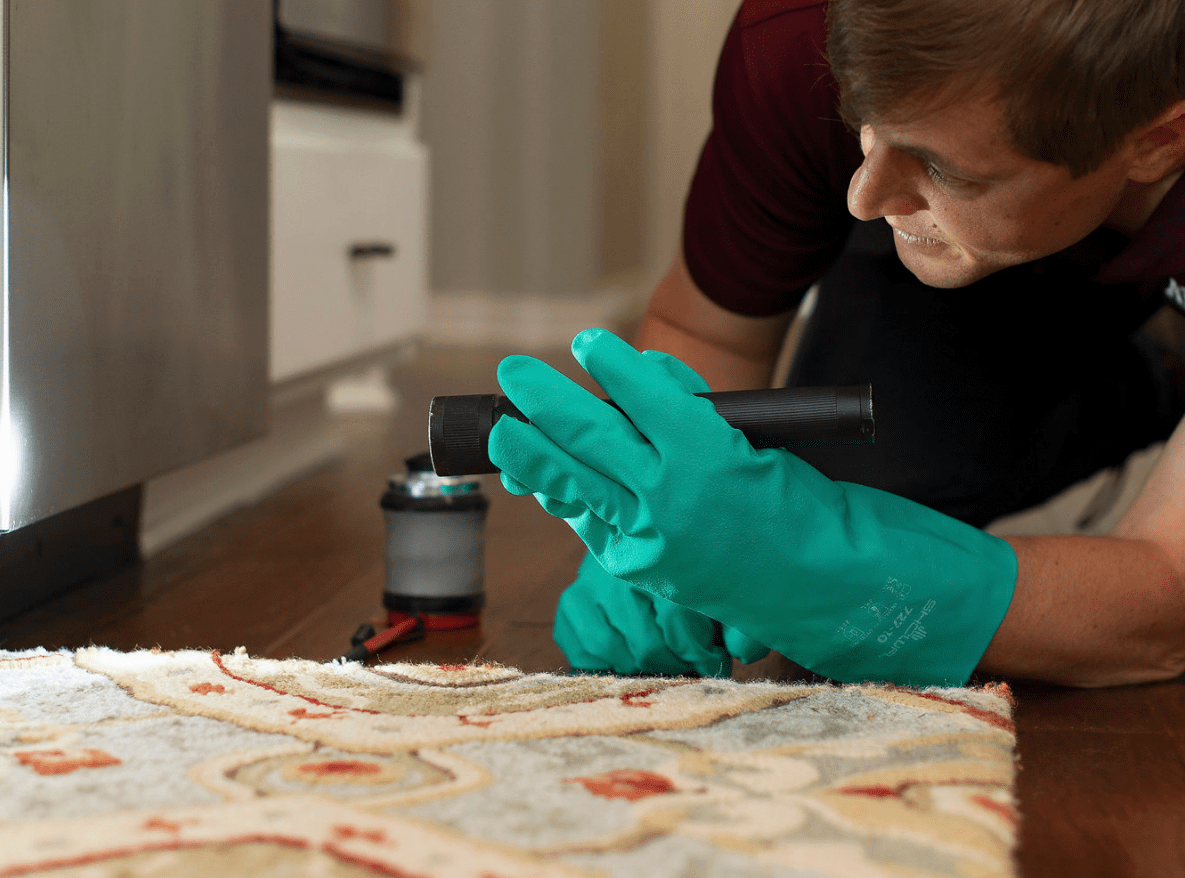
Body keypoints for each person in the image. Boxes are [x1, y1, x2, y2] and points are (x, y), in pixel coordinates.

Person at [487, 0, 1185, 688]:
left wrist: (836, 570)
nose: (862, 195)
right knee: (848, 479)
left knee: (853, 553)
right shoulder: (797, 34)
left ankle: (1162, 355)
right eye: (865, 122)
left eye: (946, 169)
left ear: (1159, 140)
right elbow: (708, 330)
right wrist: (663, 522)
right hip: (985, 258)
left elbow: (1169, 600)